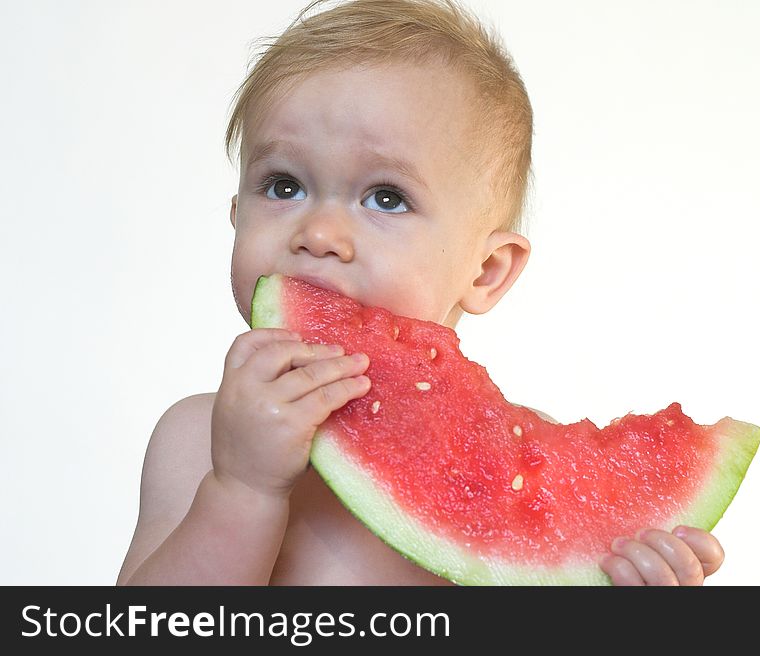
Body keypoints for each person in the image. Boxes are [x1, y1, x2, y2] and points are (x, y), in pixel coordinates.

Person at [116, 0, 724, 586]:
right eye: (282, 185)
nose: (320, 234)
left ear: (485, 271)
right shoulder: (198, 438)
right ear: (234, 215)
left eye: (386, 197)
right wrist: (240, 489)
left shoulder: (515, 479)